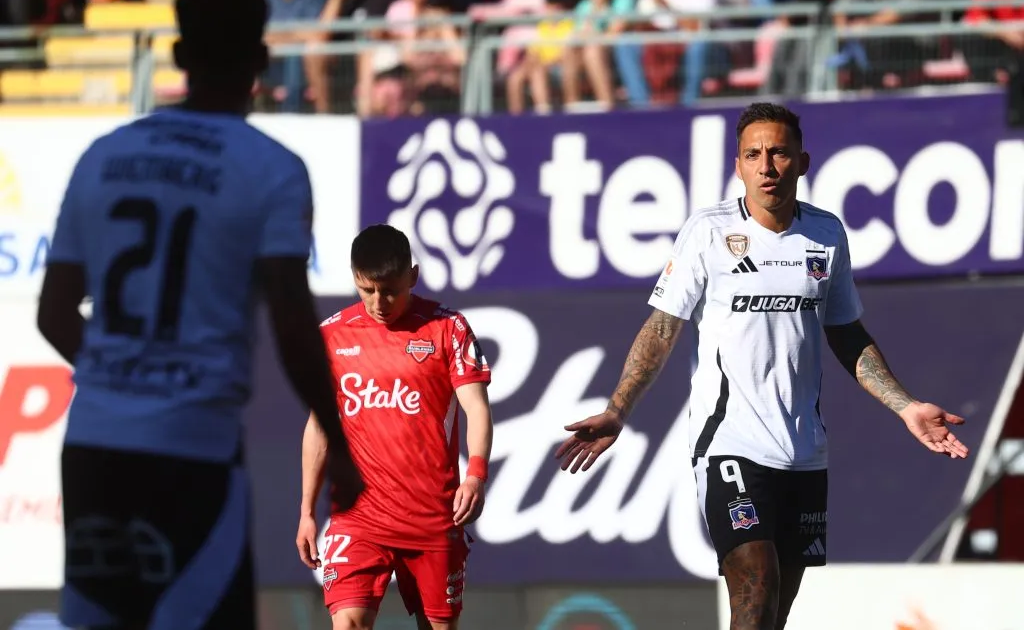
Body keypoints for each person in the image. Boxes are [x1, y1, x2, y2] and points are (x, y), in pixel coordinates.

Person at [555, 102, 970, 630]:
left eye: (778, 153)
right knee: (757, 581)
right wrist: (618, 410)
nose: (766, 166)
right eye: (753, 155)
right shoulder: (708, 231)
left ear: (803, 162)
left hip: (803, 449)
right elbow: (662, 329)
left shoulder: (826, 234)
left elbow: (846, 334)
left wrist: (905, 406)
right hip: (730, 442)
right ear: (738, 166)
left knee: (773, 613)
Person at [37, 0, 363, 630]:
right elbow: (292, 323)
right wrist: (340, 442)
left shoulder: (104, 156)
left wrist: (119, 377)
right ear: (261, 58)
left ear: (180, 55)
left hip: (94, 445)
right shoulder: (271, 167)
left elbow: (53, 313)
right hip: (193, 448)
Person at [295, 224, 494, 630]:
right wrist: (307, 510)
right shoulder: (332, 335)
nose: (378, 302)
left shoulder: (447, 327)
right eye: (367, 290)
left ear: (413, 276)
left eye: (389, 290)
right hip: (358, 517)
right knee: (348, 624)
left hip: (431, 517)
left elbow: (476, 407)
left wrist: (475, 474)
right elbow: (318, 428)